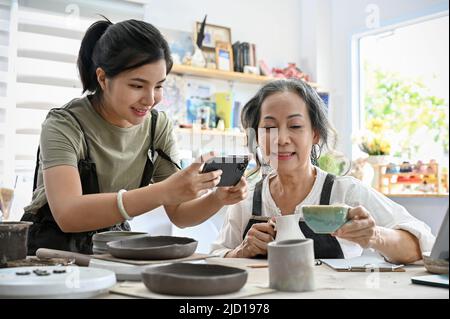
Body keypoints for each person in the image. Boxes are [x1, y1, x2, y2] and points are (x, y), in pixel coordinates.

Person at [21, 18, 247, 255]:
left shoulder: (156, 126)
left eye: (158, 86)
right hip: (49, 251)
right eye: (137, 86)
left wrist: (217, 199)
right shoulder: (64, 124)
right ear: (102, 78)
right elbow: (68, 214)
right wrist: (163, 190)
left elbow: (179, 214)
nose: (150, 100)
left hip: (111, 247)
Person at [211, 79, 434, 264]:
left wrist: (374, 236)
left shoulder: (346, 192)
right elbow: (216, 258)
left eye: (295, 126)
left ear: (315, 134)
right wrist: (241, 251)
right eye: (269, 128)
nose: (281, 139)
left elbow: (422, 245)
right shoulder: (245, 201)